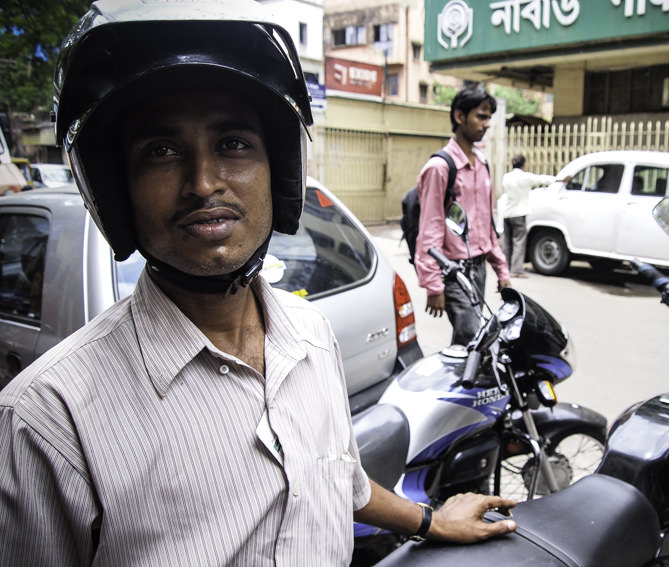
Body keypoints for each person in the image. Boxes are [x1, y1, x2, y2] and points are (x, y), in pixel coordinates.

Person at [0, 1, 516, 565]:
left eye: (233, 144)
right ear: (119, 192)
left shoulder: (313, 337)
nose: (203, 182)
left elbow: (343, 484)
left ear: (279, 172)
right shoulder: (47, 419)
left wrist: (429, 520)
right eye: (161, 151)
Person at [415, 86, 511, 346]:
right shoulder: (440, 167)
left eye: (489, 117)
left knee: (473, 338)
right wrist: (433, 285)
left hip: (478, 268)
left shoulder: (482, 163)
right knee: (471, 338)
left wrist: (501, 268)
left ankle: (463, 381)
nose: (487, 124)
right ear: (460, 117)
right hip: (453, 272)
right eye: (481, 116)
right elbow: (430, 228)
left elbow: (486, 224)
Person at [500, 154, 559, 277]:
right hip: (519, 213)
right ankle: (516, 270)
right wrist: (559, 179)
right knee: (519, 242)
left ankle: (505, 268)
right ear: (524, 164)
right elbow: (542, 179)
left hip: (507, 213)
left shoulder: (506, 177)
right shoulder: (525, 177)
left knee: (507, 243)